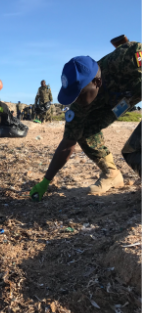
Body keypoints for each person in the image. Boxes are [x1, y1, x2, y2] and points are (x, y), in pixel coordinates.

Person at [29, 42, 142, 201]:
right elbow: (68, 142)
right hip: (122, 103)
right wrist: (46, 181)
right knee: (84, 131)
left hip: (131, 91)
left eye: (80, 94)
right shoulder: (78, 106)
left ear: (96, 82)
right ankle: (111, 173)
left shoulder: (126, 58)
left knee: (133, 151)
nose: (77, 101)